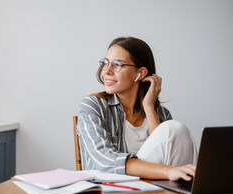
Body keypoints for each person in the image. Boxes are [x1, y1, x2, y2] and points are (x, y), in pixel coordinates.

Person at [77, 36, 197, 181]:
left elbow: (167, 155)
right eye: (105, 63)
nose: (107, 71)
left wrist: (149, 106)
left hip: (156, 188)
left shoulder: (161, 113)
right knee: (174, 128)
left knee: (175, 129)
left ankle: (187, 189)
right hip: (111, 190)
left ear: (140, 73)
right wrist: (169, 171)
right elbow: (104, 160)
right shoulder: (92, 106)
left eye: (117, 64)